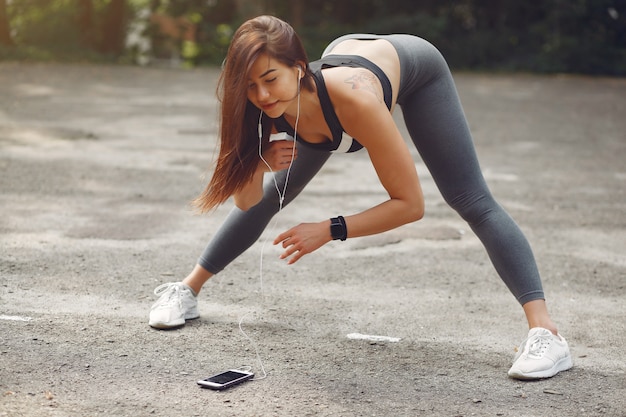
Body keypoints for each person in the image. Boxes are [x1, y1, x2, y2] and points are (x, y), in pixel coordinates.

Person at [148, 15, 572, 380]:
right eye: (251, 85)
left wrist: (331, 229)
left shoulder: (354, 102)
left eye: (270, 79)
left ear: (298, 68)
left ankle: (547, 335)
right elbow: (246, 201)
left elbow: (410, 205)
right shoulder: (265, 102)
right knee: (276, 191)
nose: (261, 95)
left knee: (470, 199)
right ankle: (186, 289)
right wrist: (258, 165)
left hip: (415, 69)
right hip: (333, 77)